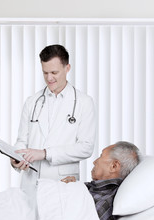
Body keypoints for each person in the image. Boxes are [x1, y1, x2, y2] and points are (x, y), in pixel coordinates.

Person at [11, 44, 97, 189]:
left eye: (54, 72)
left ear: (67, 68)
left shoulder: (84, 102)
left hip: (63, 182)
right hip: (31, 182)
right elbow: (21, 141)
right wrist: (16, 159)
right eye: (45, 73)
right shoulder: (32, 101)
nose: (49, 78)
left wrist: (45, 153)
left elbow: (86, 147)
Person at [61, 141, 140, 220]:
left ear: (113, 166)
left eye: (101, 156)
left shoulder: (106, 202)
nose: (94, 162)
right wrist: (71, 187)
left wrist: (68, 196)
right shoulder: (96, 189)